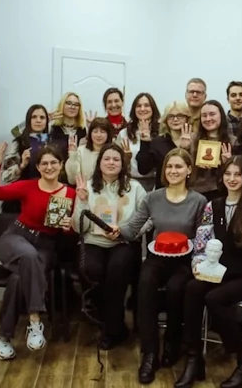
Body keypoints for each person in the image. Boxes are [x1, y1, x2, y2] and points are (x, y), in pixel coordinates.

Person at [174, 156, 242, 388]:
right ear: (222, 177)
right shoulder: (213, 205)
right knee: (192, 288)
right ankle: (194, 358)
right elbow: (202, 242)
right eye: (228, 174)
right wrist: (198, 263)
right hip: (222, 272)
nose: (232, 179)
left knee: (215, 298)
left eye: (238, 174)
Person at [113, 148, 207, 385]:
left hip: (185, 260)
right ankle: (150, 354)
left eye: (178, 166)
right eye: (169, 167)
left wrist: (194, 255)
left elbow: (203, 238)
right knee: (145, 284)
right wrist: (116, 230)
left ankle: (173, 343)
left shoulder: (199, 201)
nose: (173, 171)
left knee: (176, 288)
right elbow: (133, 228)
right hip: (157, 257)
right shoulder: (152, 198)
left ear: (188, 170)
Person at [0, 143, 75, 361]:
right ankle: (35, 320)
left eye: (54, 162)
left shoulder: (71, 193)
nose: (49, 167)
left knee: (18, 279)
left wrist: (67, 228)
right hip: (16, 238)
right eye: (44, 163)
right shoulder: (28, 186)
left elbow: (71, 232)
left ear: (61, 165)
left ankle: (3, 337)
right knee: (29, 256)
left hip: (46, 245)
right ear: (38, 167)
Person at [71, 143, 146, 349]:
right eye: (107, 159)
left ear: (122, 164)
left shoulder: (135, 188)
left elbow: (147, 220)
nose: (111, 162)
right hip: (93, 241)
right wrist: (83, 201)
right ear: (99, 163)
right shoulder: (86, 186)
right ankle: (109, 322)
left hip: (124, 242)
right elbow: (78, 227)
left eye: (116, 159)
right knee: (91, 269)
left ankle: (113, 330)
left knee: (116, 271)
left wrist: (125, 231)